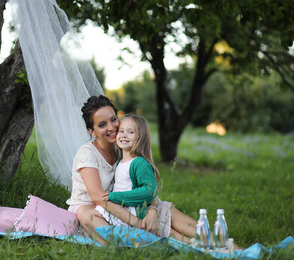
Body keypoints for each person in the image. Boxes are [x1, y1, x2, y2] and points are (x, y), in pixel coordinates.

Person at [66, 95, 195, 244]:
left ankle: (209, 239)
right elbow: (98, 198)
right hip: (94, 210)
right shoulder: (87, 153)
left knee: (163, 209)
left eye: (113, 119)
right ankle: (134, 241)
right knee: (85, 214)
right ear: (92, 131)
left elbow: (147, 184)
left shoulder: (123, 146)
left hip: (121, 205)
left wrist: (152, 211)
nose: (111, 127)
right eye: (102, 125)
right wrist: (137, 223)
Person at [96, 114, 197, 241]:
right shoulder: (120, 162)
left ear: (140, 137)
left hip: (137, 211)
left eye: (130, 132)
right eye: (121, 131)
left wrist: (115, 197)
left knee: (169, 232)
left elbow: (149, 191)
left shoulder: (139, 163)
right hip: (127, 211)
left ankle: (209, 244)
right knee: (168, 233)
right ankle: (202, 245)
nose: (124, 135)